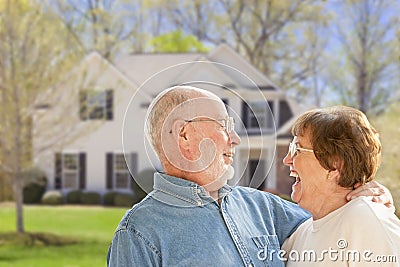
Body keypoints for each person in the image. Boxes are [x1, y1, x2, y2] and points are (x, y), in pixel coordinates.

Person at [107, 86, 393, 266]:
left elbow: (331, 219)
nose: (235, 138)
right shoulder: (138, 234)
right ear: (184, 134)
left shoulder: (263, 208)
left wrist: (365, 191)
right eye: (224, 125)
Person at [281, 106, 400, 266]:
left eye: (297, 149)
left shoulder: (365, 220)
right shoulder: (301, 233)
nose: (287, 160)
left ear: (335, 165)